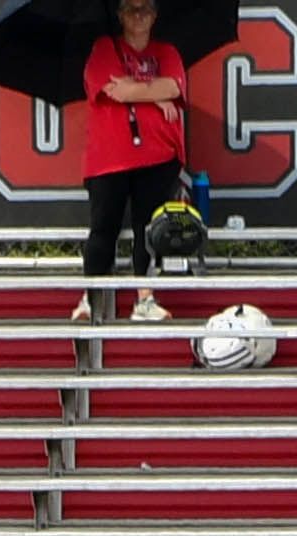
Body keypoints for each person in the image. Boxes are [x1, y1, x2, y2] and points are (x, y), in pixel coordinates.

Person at [72, 0, 189, 323]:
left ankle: (145, 299)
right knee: (103, 228)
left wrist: (143, 88)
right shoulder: (104, 47)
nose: (139, 15)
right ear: (120, 16)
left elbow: (175, 85)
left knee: (147, 229)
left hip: (158, 155)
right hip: (109, 158)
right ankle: (91, 298)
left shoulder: (167, 52)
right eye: (132, 9)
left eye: (146, 9)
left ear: (155, 15)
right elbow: (115, 91)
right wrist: (156, 93)